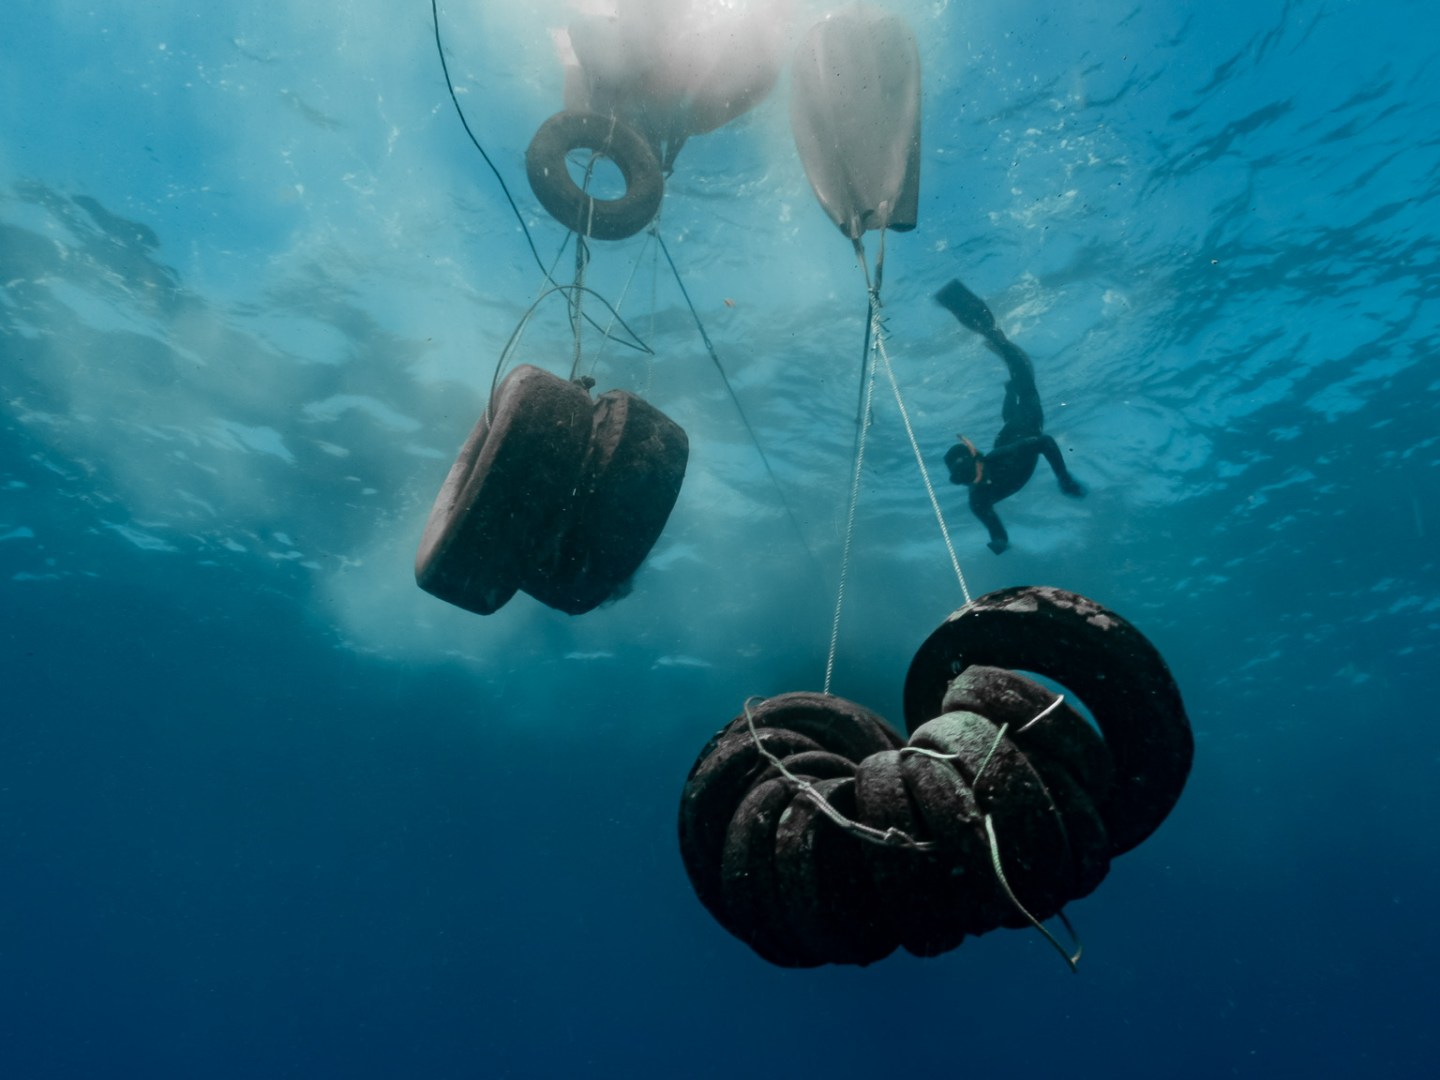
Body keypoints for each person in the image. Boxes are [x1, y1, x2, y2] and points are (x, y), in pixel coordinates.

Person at [937, 278, 1085, 554]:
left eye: (969, 472)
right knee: (1015, 394)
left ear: (976, 455)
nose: (974, 481)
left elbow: (1045, 442)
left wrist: (1063, 477)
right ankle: (1001, 360)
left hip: (1025, 425)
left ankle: (994, 337)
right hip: (1012, 430)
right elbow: (996, 530)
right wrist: (1000, 542)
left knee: (1022, 377)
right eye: (964, 479)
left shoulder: (996, 460)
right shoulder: (978, 501)